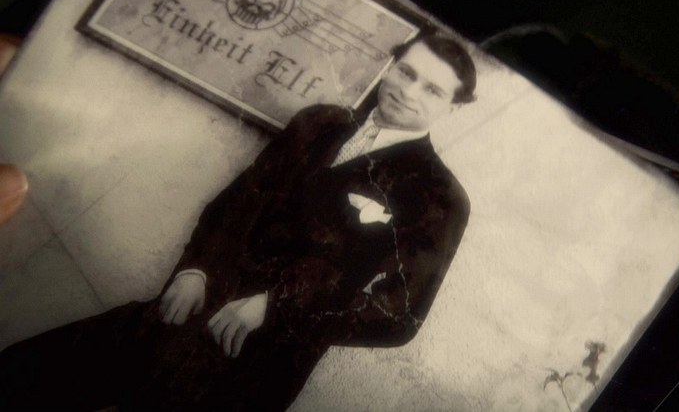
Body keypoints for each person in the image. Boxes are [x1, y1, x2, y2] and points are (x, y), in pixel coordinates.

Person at [0, 33, 477, 411]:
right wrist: (194, 269)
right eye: (406, 72)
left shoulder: (440, 197)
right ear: (391, 65)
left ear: (453, 107)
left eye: (432, 89)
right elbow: (238, 203)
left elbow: (398, 316)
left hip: (250, 370)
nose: (407, 91)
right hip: (182, 311)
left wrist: (276, 306)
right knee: (24, 375)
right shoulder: (320, 123)